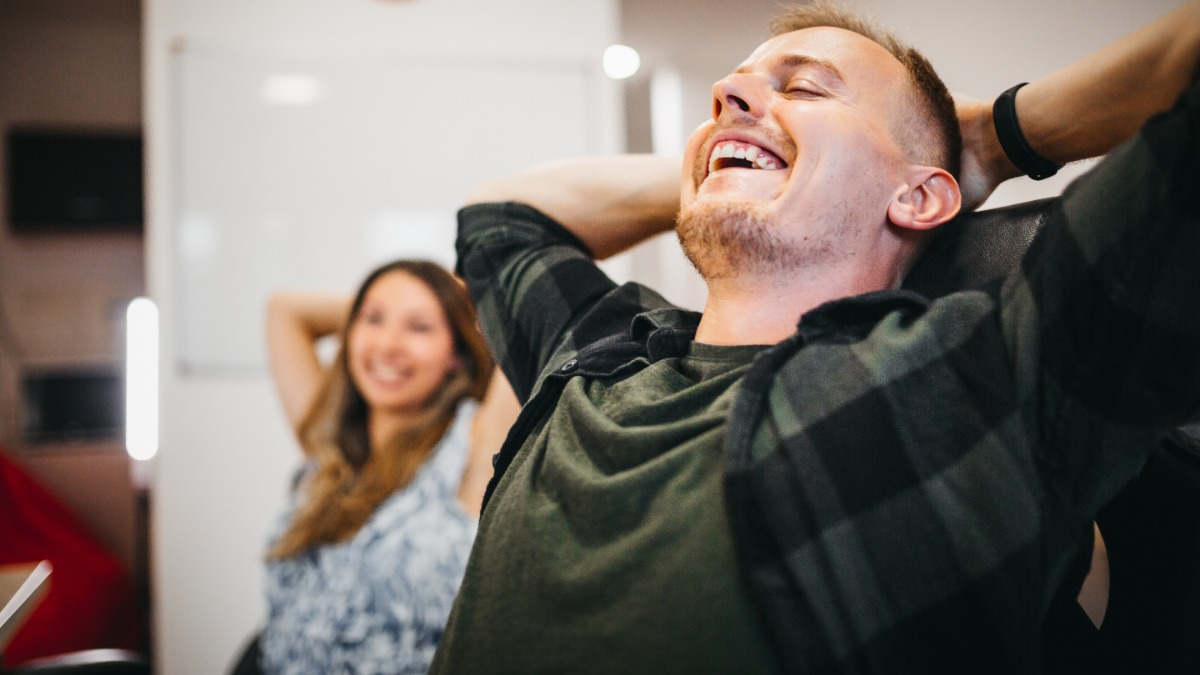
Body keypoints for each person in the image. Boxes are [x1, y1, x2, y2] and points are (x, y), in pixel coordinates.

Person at [432, 2, 1200, 673]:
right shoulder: (606, 350)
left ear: (923, 195)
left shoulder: (978, 373)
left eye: (804, 86)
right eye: (731, 88)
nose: (726, 94)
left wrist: (1000, 136)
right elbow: (499, 220)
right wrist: (737, 146)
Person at [253, 260, 519, 674]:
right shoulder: (330, 449)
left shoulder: (474, 448)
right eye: (372, 320)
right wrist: (402, 313)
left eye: (419, 328)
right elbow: (282, 309)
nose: (388, 346)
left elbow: (522, 317)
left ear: (457, 353)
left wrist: (453, 306)